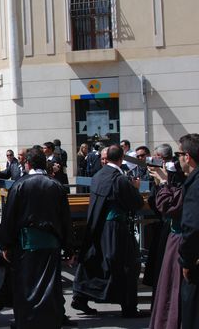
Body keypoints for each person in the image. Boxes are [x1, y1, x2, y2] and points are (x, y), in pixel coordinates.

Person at [0, 147, 74, 328]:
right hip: (51, 243)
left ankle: (26, 320)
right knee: (50, 285)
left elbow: (9, 217)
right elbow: (65, 219)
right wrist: (70, 248)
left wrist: (6, 244)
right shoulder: (56, 185)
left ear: (28, 163)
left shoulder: (19, 185)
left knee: (25, 284)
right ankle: (51, 319)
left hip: (26, 243)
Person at [72, 144, 145, 318]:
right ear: (121, 158)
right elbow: (136, 203)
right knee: (128, 265)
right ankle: (129, 307)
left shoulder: (98, 175)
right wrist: (135, 188)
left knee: (97, 262)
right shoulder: (119, 179)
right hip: (115, 228)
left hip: (98, 227)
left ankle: (81, 295)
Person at [148, 151, 184, 329]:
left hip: (180, 239)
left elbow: (168, 205)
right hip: (171, 235)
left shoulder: (188, 181)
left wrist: (164, 183)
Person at [176, 133, 199, 327]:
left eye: (179, 154)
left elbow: (192, 226)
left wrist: (186, 261)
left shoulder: (195, 184)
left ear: (187, 156)